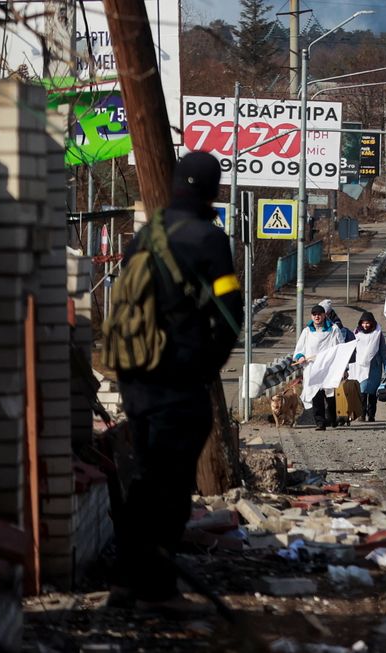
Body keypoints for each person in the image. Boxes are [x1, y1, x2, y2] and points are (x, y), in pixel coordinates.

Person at [114, 152, 243, 609]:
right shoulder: (208, 239)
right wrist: (207, 366)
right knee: (170, 484)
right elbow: (229, 313)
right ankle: (158, 588)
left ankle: (131, 578)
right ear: (212, 190)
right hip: (178, 378)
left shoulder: (146, 235)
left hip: (133, 377)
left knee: (147, 476)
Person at [293, 304, 346, 430]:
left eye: (319, 314)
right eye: (314, 314)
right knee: (316, 395)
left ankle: (333, 418)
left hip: (329, 368)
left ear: (324, 315)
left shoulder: (333, 330)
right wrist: (300, 357)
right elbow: (299, 349)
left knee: (331, 396)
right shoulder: (306, 332)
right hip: (312, 369)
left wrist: (344, 368)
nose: (317, 317)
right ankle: (320, 422)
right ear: (312, 316)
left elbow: (341, 348)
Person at [350, 312, 386, 422]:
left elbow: (383, 351)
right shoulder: (356, 333)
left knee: (372, 393)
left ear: (372, 323)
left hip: (374, 367)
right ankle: (362, 414)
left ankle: (371, 415)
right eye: (364, 323)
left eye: (368, 323)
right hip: (360, 366)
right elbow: (351, 350)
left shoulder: (378, 334)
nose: (365, 325)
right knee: (362, 392)